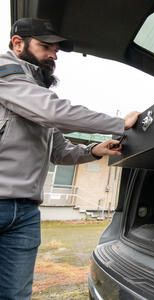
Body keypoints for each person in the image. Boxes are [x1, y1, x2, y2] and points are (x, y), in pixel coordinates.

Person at [0, 18, 140, 299]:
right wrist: (118, 123)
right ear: (18, 44)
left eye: (56, 50)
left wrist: (93, 151)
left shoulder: (36, 94)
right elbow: (53, 112)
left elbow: (58, 150)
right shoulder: (6, 72)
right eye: (46, 46)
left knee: (16, 295)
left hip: (26, 212)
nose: (53, 55)